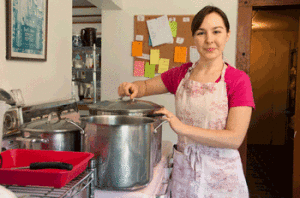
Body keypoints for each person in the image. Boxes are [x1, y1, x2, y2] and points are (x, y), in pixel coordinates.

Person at [118, 5, 255, 198]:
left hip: (222, 178)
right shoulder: (181, 74)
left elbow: (234, 138)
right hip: (185, 174)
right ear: (194, 38)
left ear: (227, 35)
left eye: (216, 31)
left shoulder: (238, 80)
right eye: (201, 33)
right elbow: (145, 87)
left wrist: (182, 128)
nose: (209, 40)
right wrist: (130, 88)